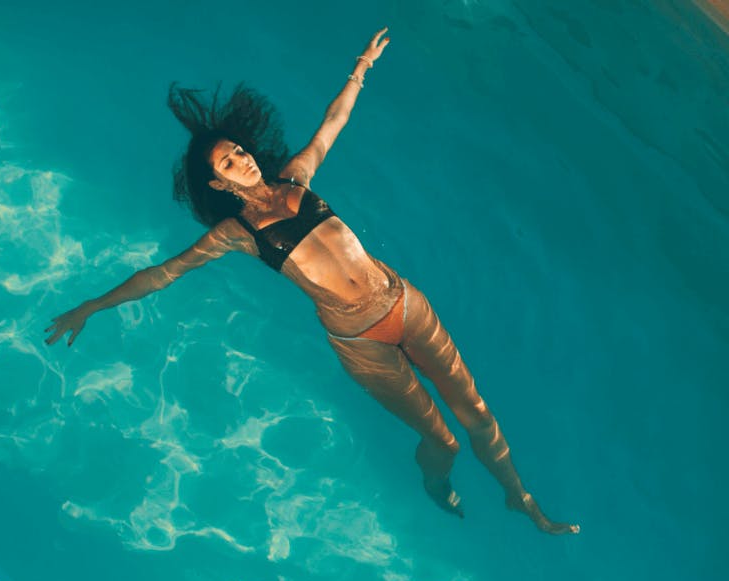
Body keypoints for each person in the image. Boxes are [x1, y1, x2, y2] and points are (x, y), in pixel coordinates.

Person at [45, 28, 579, 535]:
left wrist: (360, 69)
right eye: (229, 162)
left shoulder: (296, 178)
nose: (243, 160)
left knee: (478, 412)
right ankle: (434, 480)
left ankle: (518, 496)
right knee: (444, 440)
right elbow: (163, 273)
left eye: (240, 150)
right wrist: (90, 306)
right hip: (362, 343)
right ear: (219, 182)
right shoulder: (239, 233)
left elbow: (332, 125)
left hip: (405, 302)